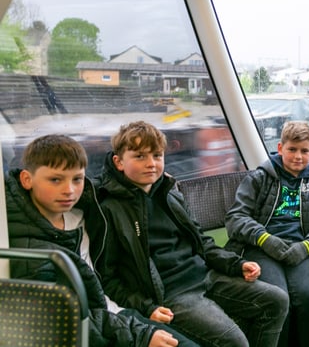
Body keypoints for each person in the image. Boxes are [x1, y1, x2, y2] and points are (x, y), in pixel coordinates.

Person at [93, 121, 289, 347]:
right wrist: (147, 307)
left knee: (276, 301)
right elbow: (108, 278)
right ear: (119, 162)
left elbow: (201, 241)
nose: (151, 164)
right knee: (234, 342)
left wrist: (235, 264)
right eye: (140, 157)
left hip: (203, 275)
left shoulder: (169, 194)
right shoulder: (109, 209)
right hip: (172, 293)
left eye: (157, 156)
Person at [5, 134, 199, 347]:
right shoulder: (25, 245)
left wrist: (144, 309)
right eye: (55, 180)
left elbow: (102, 278)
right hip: (91, 326)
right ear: (27, 179)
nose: (69, 190)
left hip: (113, 312)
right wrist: (139, 335)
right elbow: (58, 319)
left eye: (77, 179)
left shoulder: (82, 214)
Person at [225, 121, 309, 347]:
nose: (297, 156)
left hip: (302, 249)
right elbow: (236, 218)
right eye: (292, 149)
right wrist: (265, 239)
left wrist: (307, 247)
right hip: (264, 248)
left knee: (307, 295)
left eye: (304, 151)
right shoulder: (260, 178)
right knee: (277, 298)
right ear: (280, 148)